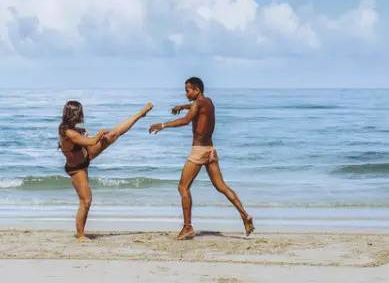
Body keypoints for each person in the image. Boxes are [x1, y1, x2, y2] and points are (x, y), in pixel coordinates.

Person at [149, 77, 254, 240]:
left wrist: (162, 125)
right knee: (222, 187)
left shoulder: (198, 104)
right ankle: (245, 215)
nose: (186, 93)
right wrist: (182, 106)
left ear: (197, 89)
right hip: (210, 150)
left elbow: (186, 120)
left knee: (182, 187)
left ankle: (187, 227)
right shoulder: (208, 102)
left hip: (199, 151)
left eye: (188, 90)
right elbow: (195, 107)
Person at [59, 100, 154, 240]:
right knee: (86, 201)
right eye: (80, 112)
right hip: (76, 169)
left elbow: (85, 141)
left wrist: (89, 135)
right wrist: (99, 133)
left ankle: (141, 114)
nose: (82, 115)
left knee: (114, 134)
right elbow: (91, 142)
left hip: (87, 155)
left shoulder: (72, 128)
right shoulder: (68, 132)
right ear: (74, 114)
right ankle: (80, 235)